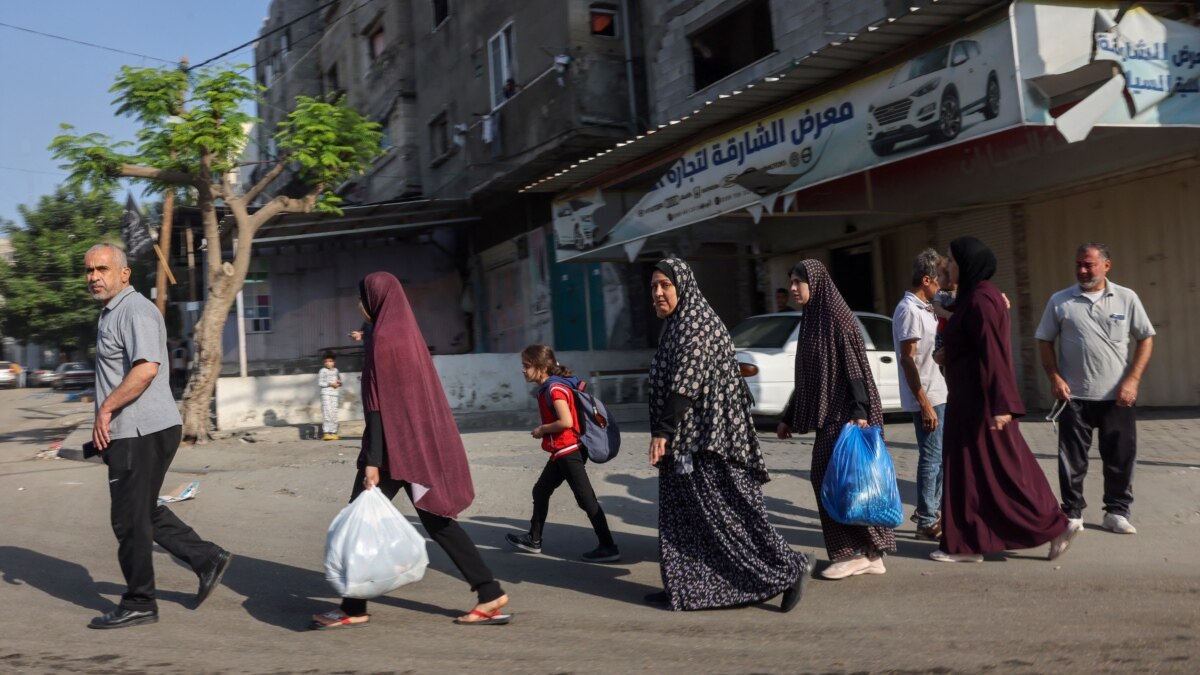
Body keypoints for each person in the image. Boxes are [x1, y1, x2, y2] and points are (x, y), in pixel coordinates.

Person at [310, 271, 511, 629]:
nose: (360, 305)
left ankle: (353, 608)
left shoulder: (382, 339)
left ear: (375, 299)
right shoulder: (405, 335)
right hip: (414, 446)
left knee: (363, 519)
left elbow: (377, 405)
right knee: (438, 523)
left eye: (362, 298)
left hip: (389, 450)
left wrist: (373, 461)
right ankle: (488, 590)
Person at [646, 258, 810, 613]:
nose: (658, 293)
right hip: (687, 441)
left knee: (730, 516)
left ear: (682, 286)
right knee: (683, 516)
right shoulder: (675, 325)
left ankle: (789, 570)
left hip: (712, 442)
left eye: (665, 285)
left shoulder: (696, 324)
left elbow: (685, 382)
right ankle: (683, 584)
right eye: (654, 286)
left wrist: (662, 432)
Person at [83, 243, 232, 629]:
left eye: (102, 269)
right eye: (88, 271)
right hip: (134, 429)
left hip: (140, 430)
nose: (94, 277)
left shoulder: (135, 310)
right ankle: (206, 558)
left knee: (128, 520)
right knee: (142, 510)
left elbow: (146, 369)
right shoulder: (112, 313)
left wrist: (105, 409)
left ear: (124, 273)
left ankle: (140, 601)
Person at [935, 236, 1075, 563]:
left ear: (969, 264)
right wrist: (948, 353)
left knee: (1001, 471)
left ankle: (1053, 525)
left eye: (953, 261)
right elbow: (968, 339)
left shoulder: (982, 299)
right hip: (972, 401)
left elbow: (994, 353)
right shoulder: (975, 297)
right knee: (981, 471)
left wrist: (1002, 405)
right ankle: (970, 543)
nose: (949, 266)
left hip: (980, 403)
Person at [778, 259, 896, 579]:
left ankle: (857, 552)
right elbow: (807, 376)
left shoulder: (838, 317)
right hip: (832, 413)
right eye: (791, 281)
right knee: (843, 482)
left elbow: (854, 367)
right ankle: (870, 553)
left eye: (797, 282)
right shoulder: (812, 318)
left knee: (840, 481)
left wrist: (859, 412)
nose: (792, 288)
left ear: (815, 284)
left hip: (848, 413)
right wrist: (789, 415)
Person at [1035, 242, 1155, 535]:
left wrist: (1133, 380)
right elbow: (1044, 340)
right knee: (1071, 461)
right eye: (1079, 264)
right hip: (1073, 397)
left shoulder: (1126, 298)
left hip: (1118, 397)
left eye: (1089, 265)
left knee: (1120, 457)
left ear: (1106, 266)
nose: (1082, 270)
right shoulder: (1060, 301)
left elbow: (1146, 338)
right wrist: (1054, 376)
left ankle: (1116, 512)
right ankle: (1072, 513)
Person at [505, 345, 619, 563]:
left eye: (526, 366)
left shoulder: (555, 389)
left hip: (569, 451)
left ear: (540, 367)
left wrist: (542, 429)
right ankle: (533, 539)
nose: (523, 371)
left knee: (586, 500)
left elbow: (565, 422)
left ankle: (608, 546)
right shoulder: (552, 387)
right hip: (561, 451)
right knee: (541, 490)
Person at [892, 248, 948, 541]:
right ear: (926, 279)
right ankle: (926, 520)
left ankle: (930, 510)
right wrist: (924, 404)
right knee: (931, 457)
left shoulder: (926, 306)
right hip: (926, 396)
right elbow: (907, 359)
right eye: (938, 279)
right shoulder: (908, 310)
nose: (941, 284)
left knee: (939, 457)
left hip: (939, 392)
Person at [317, 351, 342, 441]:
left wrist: (339, 383)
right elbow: (320, 383)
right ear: (324, 362)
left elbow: (340, 381)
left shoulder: (336, 371)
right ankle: (326, 433)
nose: (328, 363)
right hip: (325, 394)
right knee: (327, 412)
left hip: (335, 395)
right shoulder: (322, 371)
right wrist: (330, 384)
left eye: (330, 361)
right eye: (326, 361)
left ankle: (333, 432)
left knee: (334, 413)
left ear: (334, 362)